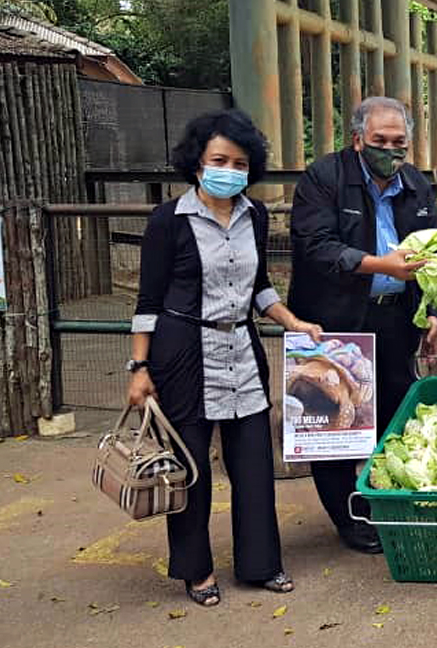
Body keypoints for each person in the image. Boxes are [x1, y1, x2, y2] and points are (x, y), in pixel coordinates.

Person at [126, 109, 322, 607]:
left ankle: (261, 564)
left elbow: (259, 289)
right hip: (182, 354)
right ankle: (196, 571)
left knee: (253, 463)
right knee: (190, 467)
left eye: (239, 162)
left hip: (241, 348)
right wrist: (139, 368)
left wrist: (292, 322)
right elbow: (148, 303)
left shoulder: (254, 215)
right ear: (197, 163)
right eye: (219, 159)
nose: (229, 170)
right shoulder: (168, 221)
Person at [289, 96, 437, 554]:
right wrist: (380, 264)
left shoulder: (415, 185)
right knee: (335, 420)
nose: (390, 150)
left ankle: (385, 498)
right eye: (380, 141)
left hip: (397, 319)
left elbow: (432, 255)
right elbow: (315, 247)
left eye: (400, 143)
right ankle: (348, 517)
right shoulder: (323, 178)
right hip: (334, 321)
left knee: (395, 413)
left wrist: (432, 310)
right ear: (357, 140)